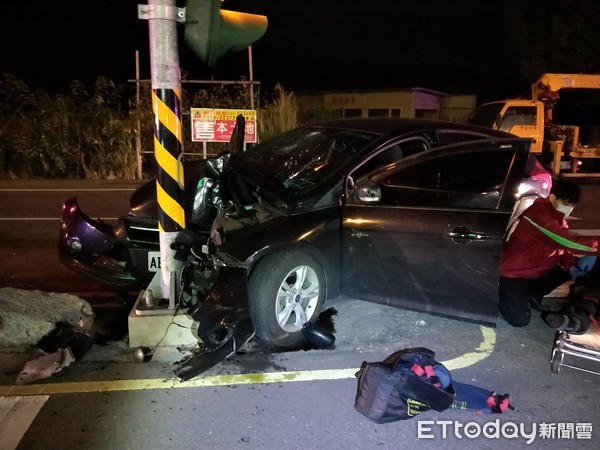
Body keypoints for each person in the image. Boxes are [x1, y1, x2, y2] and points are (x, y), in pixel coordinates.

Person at [498, 178, 599, 327]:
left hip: (537, 272)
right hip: (515, 274)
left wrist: (572, 267)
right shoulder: (538, 214)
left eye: (572, 205)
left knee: (567, 269)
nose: (569, 208)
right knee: (519, 321)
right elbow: (568, 242)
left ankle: (533, 294)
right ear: (552, 198)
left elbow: (562, 250)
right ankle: (501, 294)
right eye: (566, 203)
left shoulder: (558, 219)